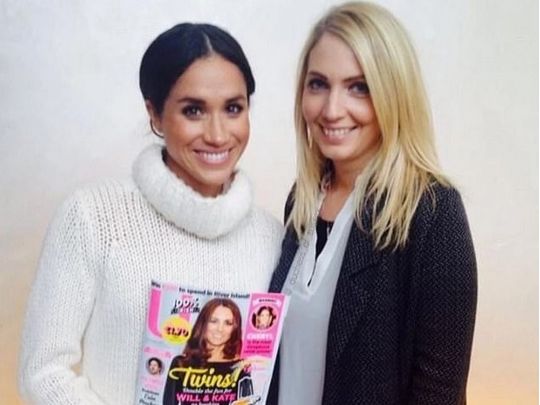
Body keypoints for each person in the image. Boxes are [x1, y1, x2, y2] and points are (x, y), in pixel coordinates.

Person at [18, 23, 283, 405]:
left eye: (233, 108)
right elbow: (42, 370)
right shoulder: (93, 217)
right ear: (155, 114)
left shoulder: (272, 237)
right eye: (193, 110)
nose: (217, 134)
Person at [268, 2, 477, 404]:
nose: (332, 110)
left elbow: (439, 391)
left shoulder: (433, 212)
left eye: (358, 87)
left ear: (394, 94)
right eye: (318, 84)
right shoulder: (302, 200)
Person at [163, 298, 253, 405]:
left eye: (228, 323)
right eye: (214, 321)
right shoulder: (181, 363)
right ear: (203, 324)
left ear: (235, 328)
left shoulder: (240, 366)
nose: (220, 329)